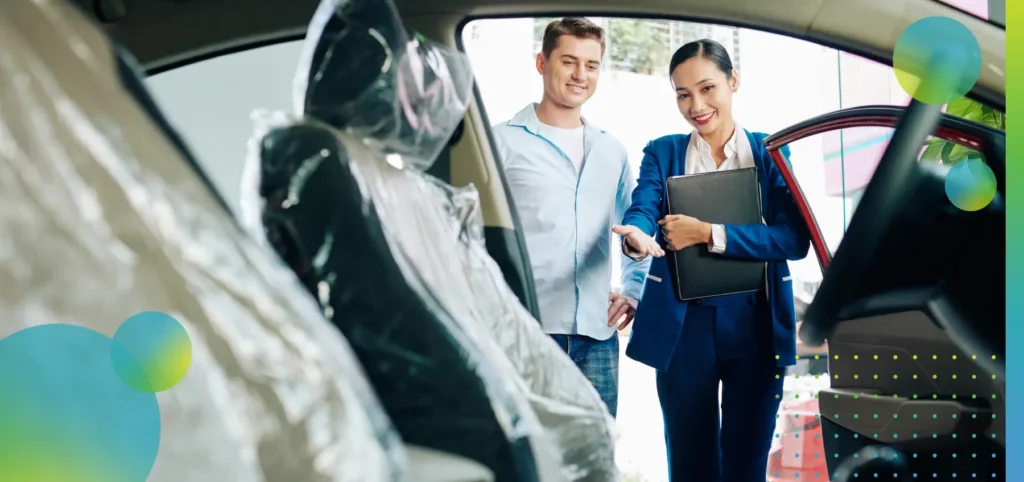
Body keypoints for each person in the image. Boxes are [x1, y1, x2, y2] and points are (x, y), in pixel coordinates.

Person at [611, 39, 810, 481]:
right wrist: (636, 237)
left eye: (706, 88)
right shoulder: (663, 152)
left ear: (733, 82)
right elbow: (643, 207)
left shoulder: (769, 152)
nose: (696, 105)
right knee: (690, 462)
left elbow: (794, 239)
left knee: (747, 462)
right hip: (686, 328)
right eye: (683, 94)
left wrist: (707, 233)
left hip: (755, 324)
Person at [490, 17, 650, 418]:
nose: (581, 75)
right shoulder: (500, 142)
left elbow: (636, 226)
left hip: (598, 338)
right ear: (542, 63)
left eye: (591, 65)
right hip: (526, 333)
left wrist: (634, 291)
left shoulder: (611, 150)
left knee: (594, 460)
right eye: (569, 61)